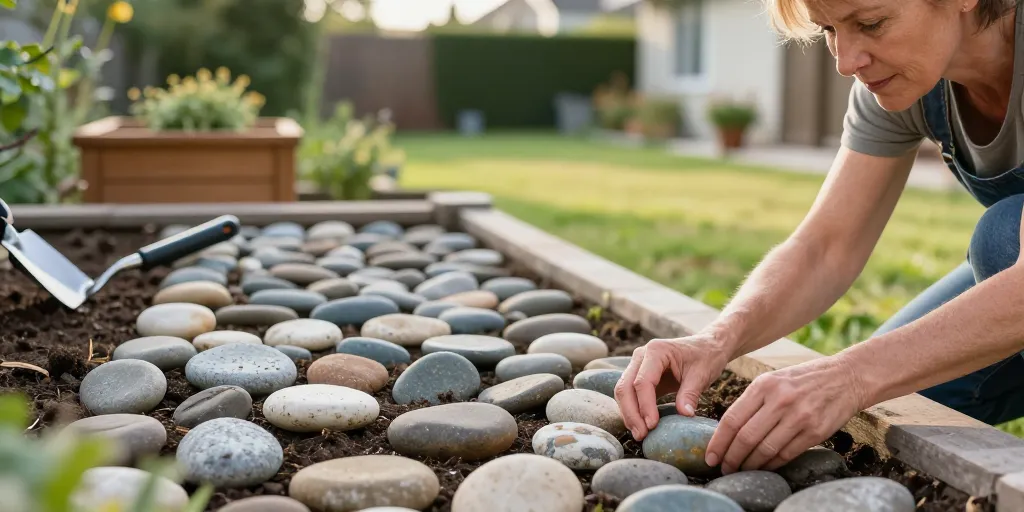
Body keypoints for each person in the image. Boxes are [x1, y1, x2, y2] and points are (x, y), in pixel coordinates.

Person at [615, 0, 1024, 476]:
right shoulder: (906, 81)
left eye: (871, 23)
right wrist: (714, 342)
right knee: (905, 397)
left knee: (1001, 240)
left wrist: (850, 375)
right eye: (829, 30)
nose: (847, 61)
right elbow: (825, 246)